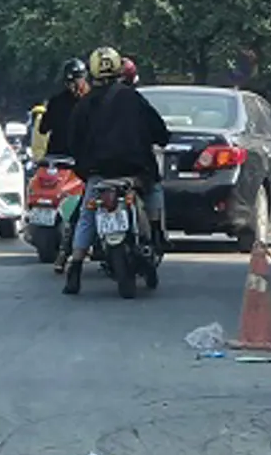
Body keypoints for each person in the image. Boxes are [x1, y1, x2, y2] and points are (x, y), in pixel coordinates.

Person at [61, 47, 170, 295]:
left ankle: (75, 266)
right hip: (136, 170)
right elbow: (158, 130)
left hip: (99, 173)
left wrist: (84, 164)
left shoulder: (84, 104)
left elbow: (73, 141)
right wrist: (162, 139)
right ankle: (156, 233)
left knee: (87, 217)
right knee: (154, 190)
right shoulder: (133, 98)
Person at [35, 59, 89, 161]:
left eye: (76, 81)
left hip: (77, 160)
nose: (73, 86)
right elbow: (43, 128)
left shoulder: (92, 102)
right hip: (61, 159)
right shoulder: (56, 102)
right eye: (70, 83)